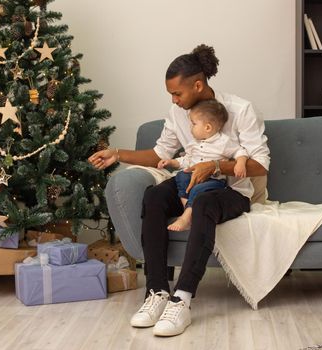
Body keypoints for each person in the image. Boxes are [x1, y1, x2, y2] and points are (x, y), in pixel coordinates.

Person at [88, 44, 270, 337]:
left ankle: (182, 298)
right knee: (155, 196)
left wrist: (214, 167)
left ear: (198, 85)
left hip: (231, 190)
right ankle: (157, 292)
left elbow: (260, 165)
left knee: (203, 205)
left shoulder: (241, 109)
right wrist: (118, 154)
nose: (174, 100)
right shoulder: (177, 113)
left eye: (177, 93)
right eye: (171, 95)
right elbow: (160, 152)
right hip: (190, 179)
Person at [157, 98, 251, 232]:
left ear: (207, 127)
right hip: (192, 178)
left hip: (213, 180)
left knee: (198, 191)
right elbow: (188, 160)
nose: (190, 127)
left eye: (193, 124)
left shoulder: (223, 142)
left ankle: (186, 217)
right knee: (182, 176)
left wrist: (240, 163)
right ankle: (188, 211)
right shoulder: (194, 144)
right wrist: (172, 162)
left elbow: (240, 151)